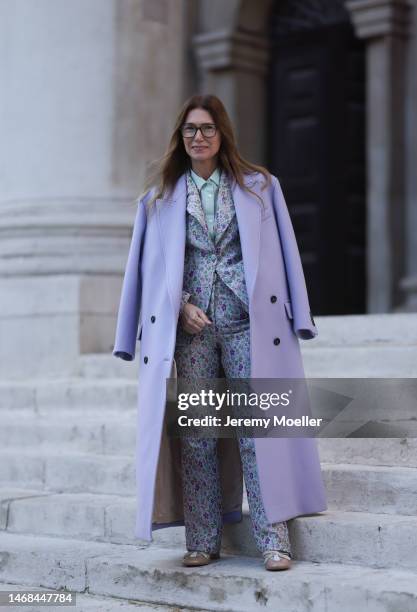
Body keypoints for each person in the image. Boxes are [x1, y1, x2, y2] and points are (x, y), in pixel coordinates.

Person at [112, 93, 327, 572]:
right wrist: (177, 309)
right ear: (180, 138)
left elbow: (288, 252)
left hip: (251, 323)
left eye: (207, 128)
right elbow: (142, 274)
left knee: (259, 430)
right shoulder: (159, 199)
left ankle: (274, 539)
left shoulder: (259, 187)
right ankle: (203, 539)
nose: (199, 137)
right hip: (191, 331)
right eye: (190, 130)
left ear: (222, 133)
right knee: (198, 435)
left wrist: (301, 317)